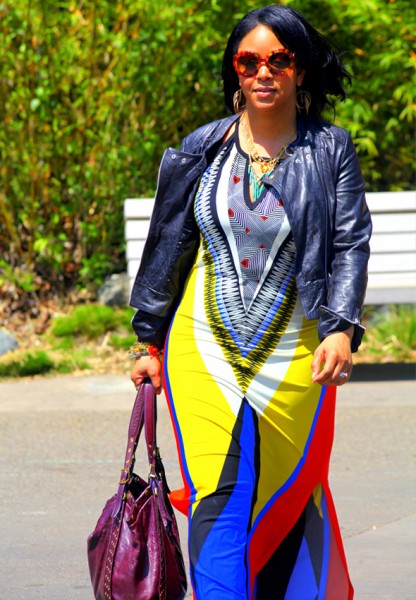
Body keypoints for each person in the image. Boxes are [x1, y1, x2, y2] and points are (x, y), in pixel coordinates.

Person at [129, 4, 371, 599]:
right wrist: (146, 340)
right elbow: (168, 248)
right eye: (249, 61)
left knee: (283, 493)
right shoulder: (200, 148)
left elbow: (349, 241)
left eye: (279, 60)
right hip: (201, 347)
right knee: (218, 490)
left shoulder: (329, 149)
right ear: (235, 71)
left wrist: (340, 328)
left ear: (301, 69)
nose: (264, 72)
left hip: (296, 355)